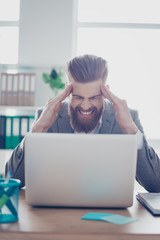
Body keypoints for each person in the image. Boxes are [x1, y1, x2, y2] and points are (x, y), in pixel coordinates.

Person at [5, 54, 160, 192]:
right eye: (78, 97)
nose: (85, 106)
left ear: (106, 93)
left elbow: (155, 184)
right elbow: (10, 180)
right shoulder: (47, 117)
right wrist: (39, 128)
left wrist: (130, 130)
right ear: (68, 92)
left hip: (112, 214)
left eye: (93, 97)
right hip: (54, 214)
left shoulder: (128, 117)